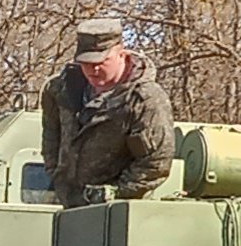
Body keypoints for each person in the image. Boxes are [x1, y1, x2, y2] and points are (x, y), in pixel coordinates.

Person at [41, 15, 175, 205]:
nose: (93, 69)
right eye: (86, 62)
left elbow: (156, 163)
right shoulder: (60, 90)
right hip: (67, 203)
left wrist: (115, 193)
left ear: (121, 54)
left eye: (101, 62)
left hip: (118, 210)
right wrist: (57, 176)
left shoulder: (144, 99)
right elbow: (51, 138)